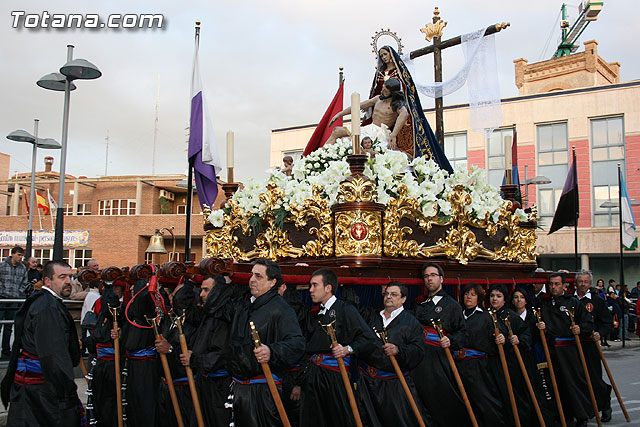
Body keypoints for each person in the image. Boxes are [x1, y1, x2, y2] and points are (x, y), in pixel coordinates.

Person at [1, 260, 83, 426]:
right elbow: (52, 354)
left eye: (70, 276)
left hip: (36, 391)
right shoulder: (47, 308)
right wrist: (67, 394)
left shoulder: (45, 302)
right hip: (41, 394)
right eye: (62, 277)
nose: (68, 281)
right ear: (47, 281)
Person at [227, 258, 305, 427]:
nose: (252, 279)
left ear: (272, 282)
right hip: (241, 389)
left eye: (258, 276)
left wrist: (271, 351)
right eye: (251, 275)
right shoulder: (245, 305)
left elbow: (297, 344)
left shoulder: (281, 309)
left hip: (263, 391)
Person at [299, 268, 377, 427]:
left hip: (334, 375)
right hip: (314, 374)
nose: (310, 290)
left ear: (328, 288)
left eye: (314, 285)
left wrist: (348, 349)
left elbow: (369, 339)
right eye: (310, 286)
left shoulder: (346, 309)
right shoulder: (315, 313)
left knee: (337, 418)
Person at [358, 281, 427, 427]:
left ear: (403, 299)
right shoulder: (371, 316)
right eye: (387, 294)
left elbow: (419, 351)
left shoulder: (412, 323)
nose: (389, 297)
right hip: (367, 382)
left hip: (393, 385)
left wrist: (399, 350)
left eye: (394, 294)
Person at [411, 263, 469, 427]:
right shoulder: (418, 304)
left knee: (440, 402)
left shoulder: (452, 305)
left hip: (439, 363)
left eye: (433, 275)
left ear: (441, 278)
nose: (429, 279)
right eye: (426, 276)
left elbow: (463, 333)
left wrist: (451, 341)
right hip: (419, 362)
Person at [536, 272, 594, 427]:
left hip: (568, 349)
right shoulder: (543, 302)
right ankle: (563, 414)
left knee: (573, 382)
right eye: (551, 284)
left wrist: (580, 328)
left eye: (557, 284)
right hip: (550, 348)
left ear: (564, 285)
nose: (553, 287)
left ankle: (581, 415)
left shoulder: (572, 302)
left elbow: (588, 322)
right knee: (556, 382)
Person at [456, 283, 507, 427]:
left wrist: (502, 338)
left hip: (478, 366)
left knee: (484, 398)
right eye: (466, 294)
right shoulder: (458, 314)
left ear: (479, 298)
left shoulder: (486, 316)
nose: (468, 297)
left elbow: (499, 335)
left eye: (473, 295)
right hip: (458, 364)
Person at [186, 275, 233, 426]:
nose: (201, 295)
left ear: (218, 291)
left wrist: (194, 360)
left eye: (206, 290)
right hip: (204, 382)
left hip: (218, 386)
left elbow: (221, 355)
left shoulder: (224, 316)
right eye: (201, 290)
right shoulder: (208, 313)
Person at [155, 282, 198, 427]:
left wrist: (170, 349)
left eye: (176, 295)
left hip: (183, 388)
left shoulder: (193, 323)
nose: (172, 297)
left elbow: (192, 353)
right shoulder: (170, 320)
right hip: (166, 384)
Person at [326, 78, 409, 151]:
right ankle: (319, 155)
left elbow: (404, 114)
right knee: (336, 131)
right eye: (383, 88)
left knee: (351, 141)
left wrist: (393, 135)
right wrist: (339, 114)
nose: (382, 91)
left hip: (380, 133)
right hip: (370, 128)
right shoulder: (378, 99)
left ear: (393, 93)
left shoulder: (396, 105)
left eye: (385, 91)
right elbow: (357, 106)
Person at [574, 269, 613, 422]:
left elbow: (607, 322)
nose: (583, 284)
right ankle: (585, 411)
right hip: (574, 345)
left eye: (585, 282)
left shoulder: (596, 301)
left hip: (590, 345)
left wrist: (599, 333)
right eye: (580, 281)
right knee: (579, 379)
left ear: (590, 284)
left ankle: (605, 404)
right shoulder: (571, 300)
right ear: (575, 283)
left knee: (594, 378)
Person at [81, 284, 121, 426]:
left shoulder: (118, 319)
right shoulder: (102, 319)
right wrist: (83, 343)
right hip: (100, 365)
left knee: (112, 401)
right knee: (99, 399)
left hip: (113, 366)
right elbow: (95, 339)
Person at [0, 246, 27, 357]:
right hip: (2, 298)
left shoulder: (22, 268)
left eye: (22, 255)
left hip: (14, 298)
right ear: (13, 254)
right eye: (19, 255)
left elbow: (24, 282)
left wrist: (18, 292)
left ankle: (6, 349)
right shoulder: (2, 266)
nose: (20, 257)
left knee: (9, 325)